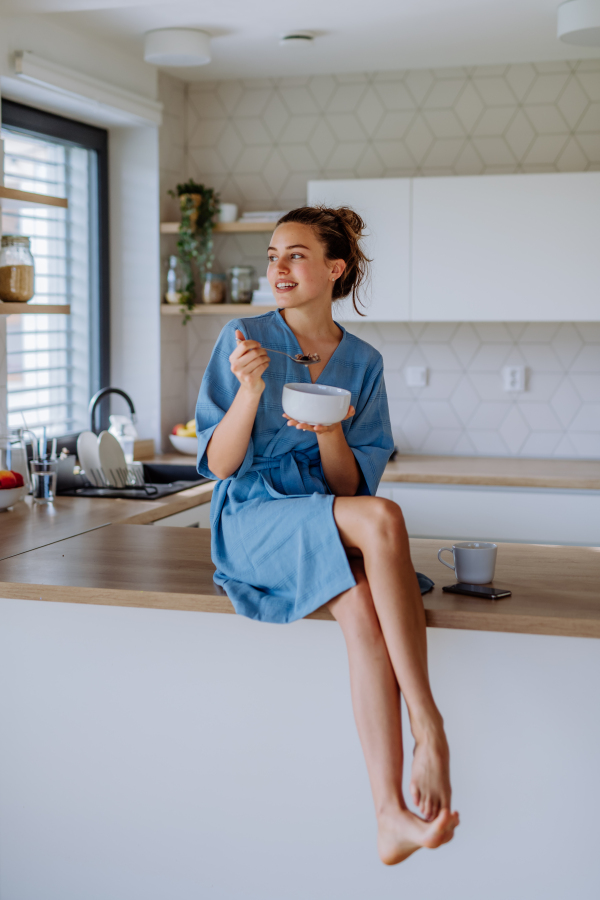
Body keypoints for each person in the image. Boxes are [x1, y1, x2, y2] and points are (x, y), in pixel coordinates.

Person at [195, 206, 459, 865]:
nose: (278, 268)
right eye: (274, 255)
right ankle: (429, 725)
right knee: (386, 520)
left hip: (320, 512)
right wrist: (250, 391)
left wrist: (334, 431)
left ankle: (390, 815)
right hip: (253, 516)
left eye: (296, 255)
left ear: (334, 269)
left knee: (364, 608)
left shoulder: (362, 362)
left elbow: (350, 489)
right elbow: (220, 466)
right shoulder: (243, 336)